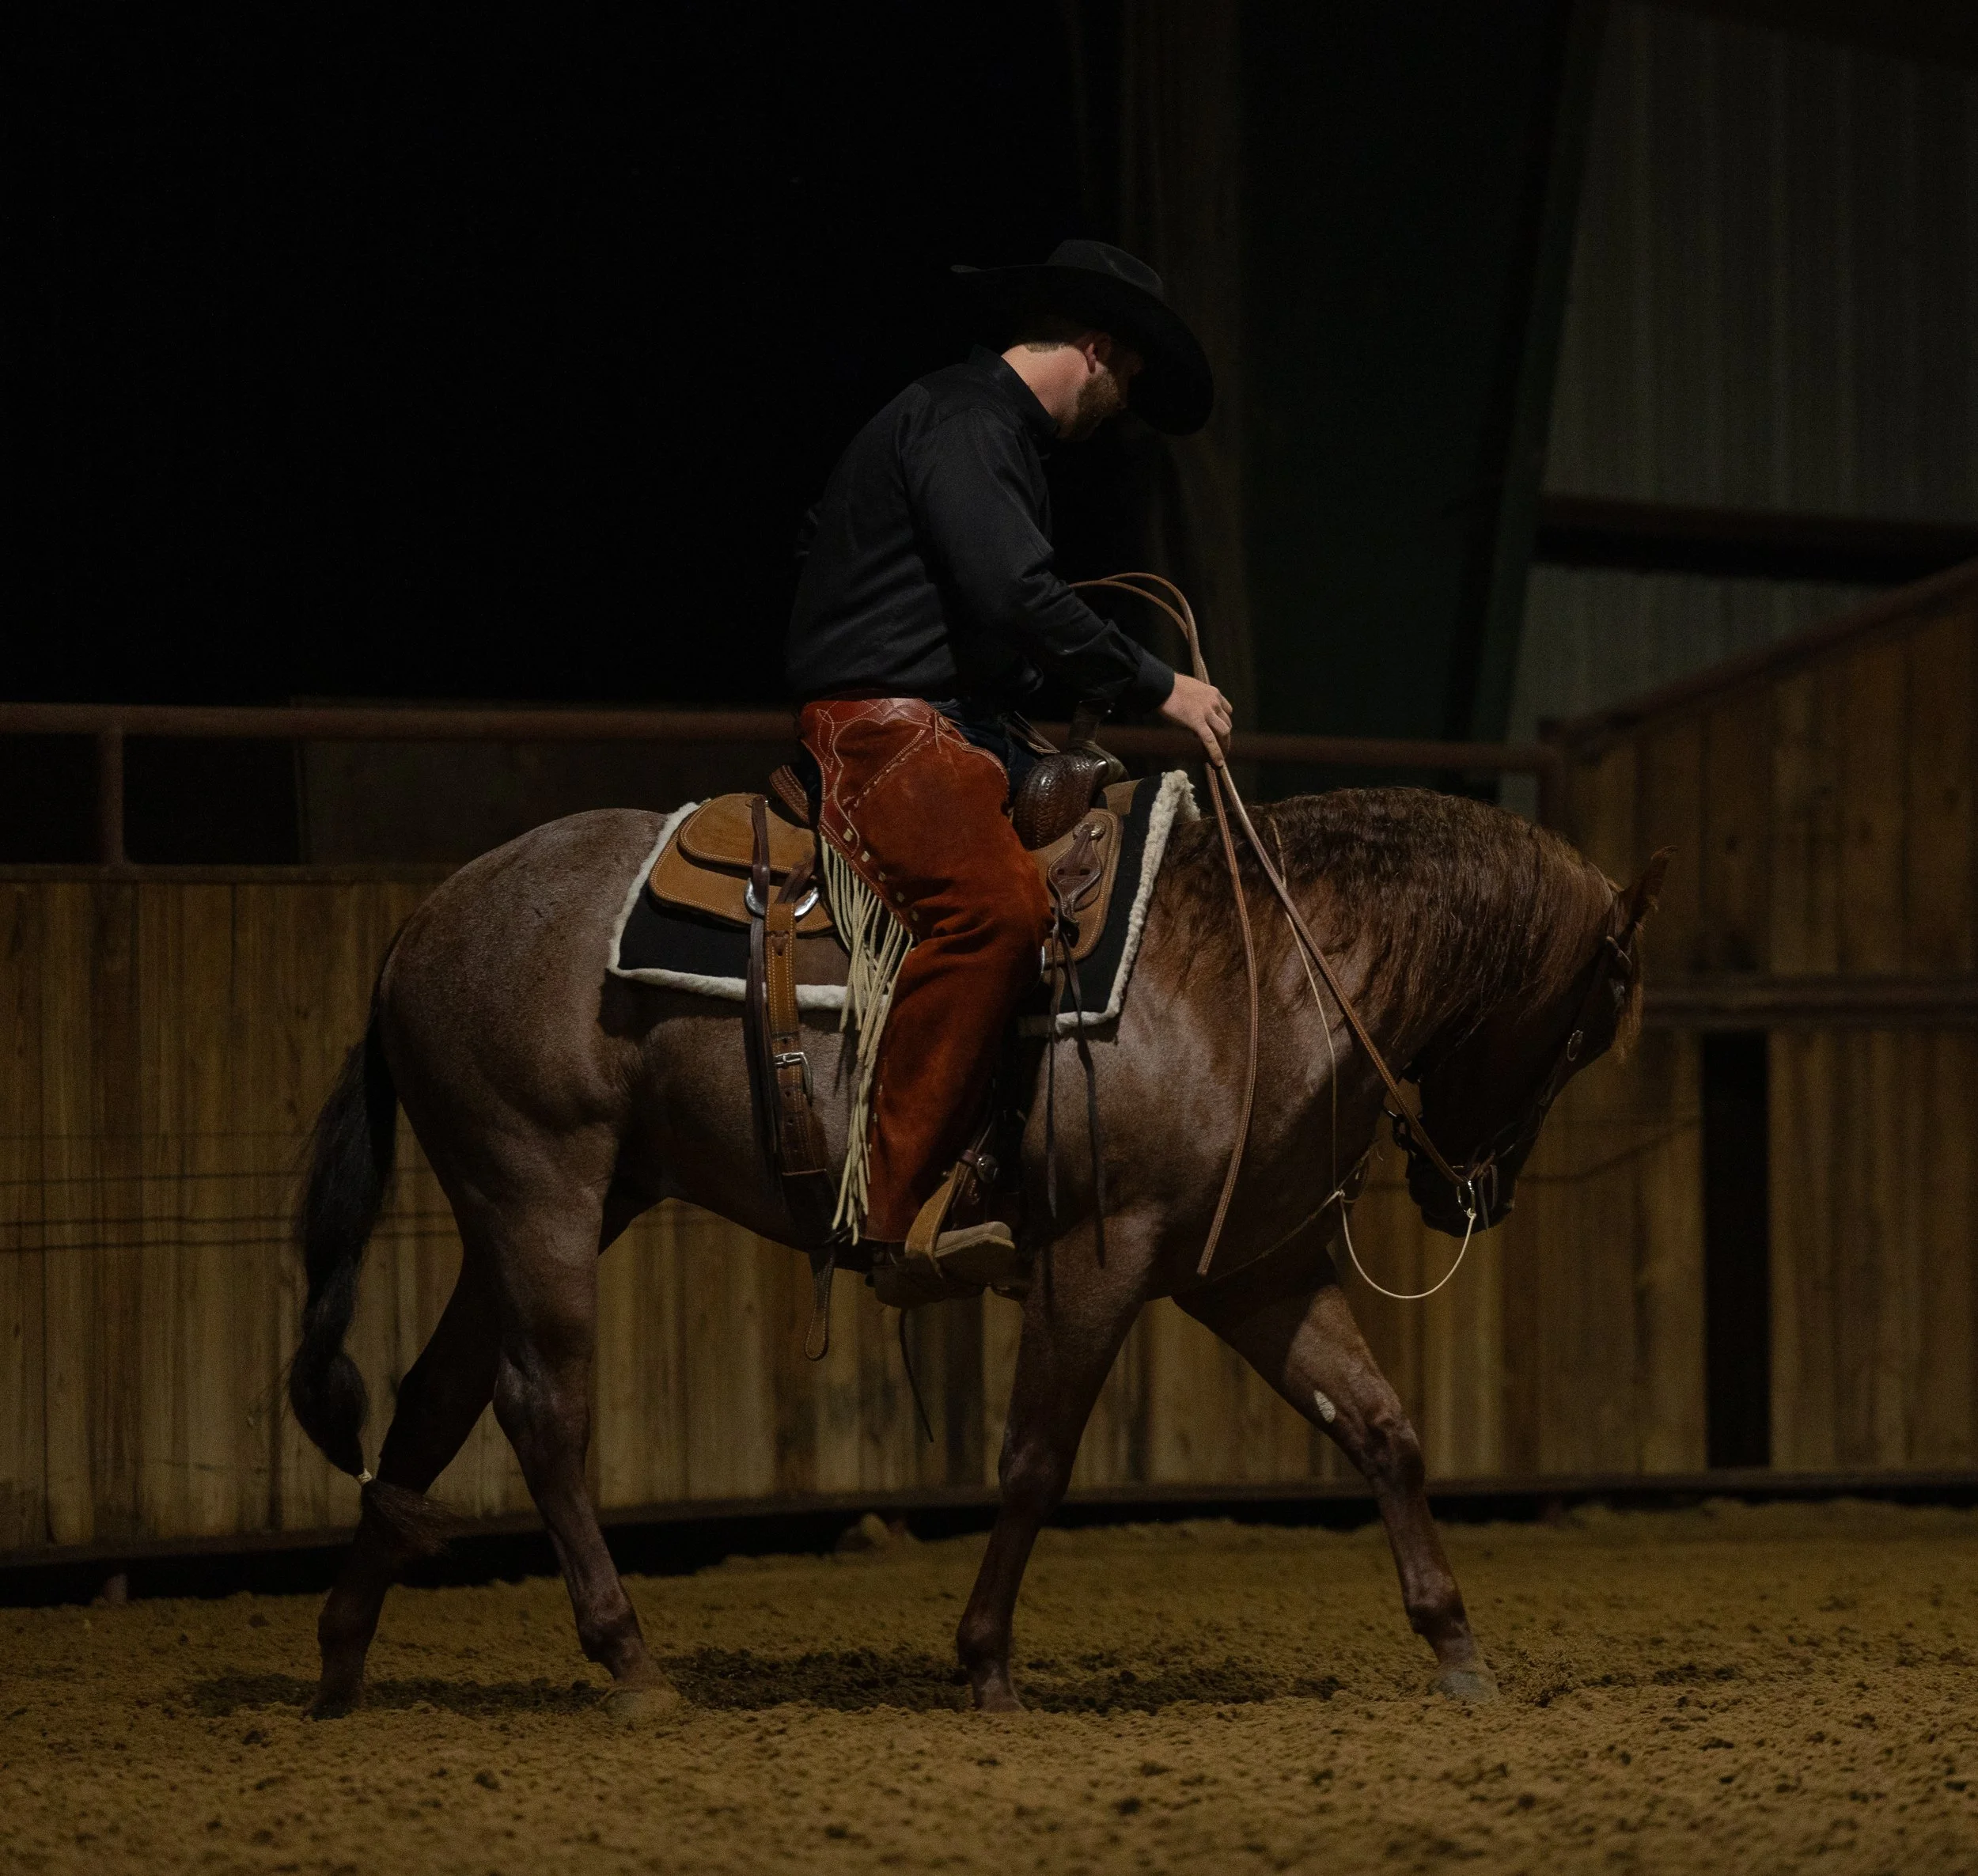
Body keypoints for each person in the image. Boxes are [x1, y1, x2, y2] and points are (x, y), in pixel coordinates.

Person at [786, 239, 1232, 1292]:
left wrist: (1059, 700)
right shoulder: (971, 423)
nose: (1121, 405)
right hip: (880, 727)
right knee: (996, 910)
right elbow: (1013, 595)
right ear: (1098, 348)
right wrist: (1157, 684)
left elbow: (986, 624)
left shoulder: (986, 436)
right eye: (1126, 382)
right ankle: (891, 1211)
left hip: (947, 715)